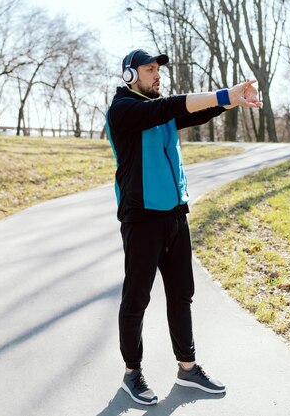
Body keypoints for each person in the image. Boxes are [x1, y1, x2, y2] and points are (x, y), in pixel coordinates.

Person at [105, 49, 262, 406]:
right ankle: (132, 373)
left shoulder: (159, 109)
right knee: (137, 299)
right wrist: (225, 93)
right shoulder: (125, 111)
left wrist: (230, 102)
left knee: (181, 294)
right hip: (141, 219)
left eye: (158, 69)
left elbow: (191, 113)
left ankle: (187, 368)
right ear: (131, 75)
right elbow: (169, 108)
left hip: (175, 215)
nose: (157, 74)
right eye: (149, 69)